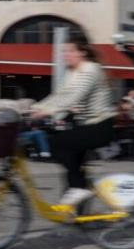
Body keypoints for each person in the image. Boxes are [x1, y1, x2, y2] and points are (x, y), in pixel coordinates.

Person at [31, 34, 116, 207]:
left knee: (58, 144)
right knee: (71, 167)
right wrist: (35, 108)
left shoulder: (91, 70)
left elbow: (75, 97)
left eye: (70, 51)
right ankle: (76, 211)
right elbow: (60, 95)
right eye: (64, 51)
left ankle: (80, 188)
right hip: (86, 125)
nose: (65, 55)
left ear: (82, 53)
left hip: (101, 126)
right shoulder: (73, 72)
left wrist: (46, 112)